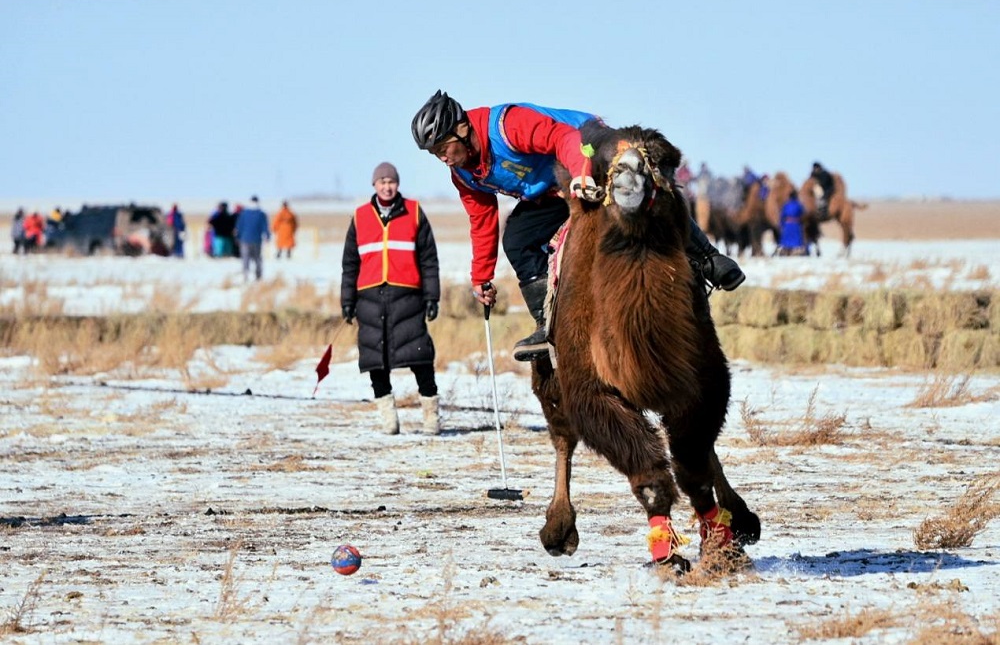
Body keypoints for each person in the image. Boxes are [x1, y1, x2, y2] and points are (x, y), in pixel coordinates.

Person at [411, 90, 745, 362]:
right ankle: (548, 324)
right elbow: (481, 220)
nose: (442, 157)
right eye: (434, 153)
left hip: (588, 147)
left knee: (637, 187)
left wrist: (582, 173)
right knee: (516, 239)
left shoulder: (506, 125)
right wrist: (481, 277)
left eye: (443, 147)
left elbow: (562, 137)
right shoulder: (463, 173)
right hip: (550, 190)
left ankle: (708, 259)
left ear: (462, 129)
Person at [341, 162, 441, 436]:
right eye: (382, 182)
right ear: (374, 185)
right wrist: (347, 300)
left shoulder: (414, 211)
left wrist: (432, 296)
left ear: (398, 184)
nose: (387, 187)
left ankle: (431, 416)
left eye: (391, 182)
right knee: (375, 361)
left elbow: (429, 259)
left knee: (420, 357)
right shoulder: (360, 217)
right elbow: (350, 264)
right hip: (369, 299)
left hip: (408, 298)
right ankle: (388, 419)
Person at [235, 197, 270, 282]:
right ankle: (258, 276)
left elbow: (239, 226)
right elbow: (265, 226)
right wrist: (267, 236)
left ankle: (246, 275)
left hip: (245, 239)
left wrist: (238, 237)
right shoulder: (261, 214)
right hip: (256, 239)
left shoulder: (244, 213)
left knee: (245, 258)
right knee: (257, 258)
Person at [777, 189, 807, 256]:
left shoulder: (786, 205)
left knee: (786, 240)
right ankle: (795, 252)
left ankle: (787, 251)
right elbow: (804, 213)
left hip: (787, 225)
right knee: (797, 240)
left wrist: (781, 224)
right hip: (796, 225)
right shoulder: (799, 205)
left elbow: (782, 215)